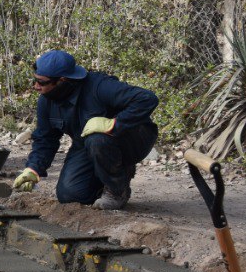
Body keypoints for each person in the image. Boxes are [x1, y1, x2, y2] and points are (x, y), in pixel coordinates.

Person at [12, 49, 158, 209]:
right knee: (69, 196)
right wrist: (33, 168)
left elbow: (147, 99)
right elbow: (45, 139)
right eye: (35, 80)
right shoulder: (47, 101)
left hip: (131, 138)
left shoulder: (100, 86)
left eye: (41, 82)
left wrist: (114, 124)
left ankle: (117, 190)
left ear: (62, 80)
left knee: (97, 140)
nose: (36, 86)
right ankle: (105, 178)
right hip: (88, 144)